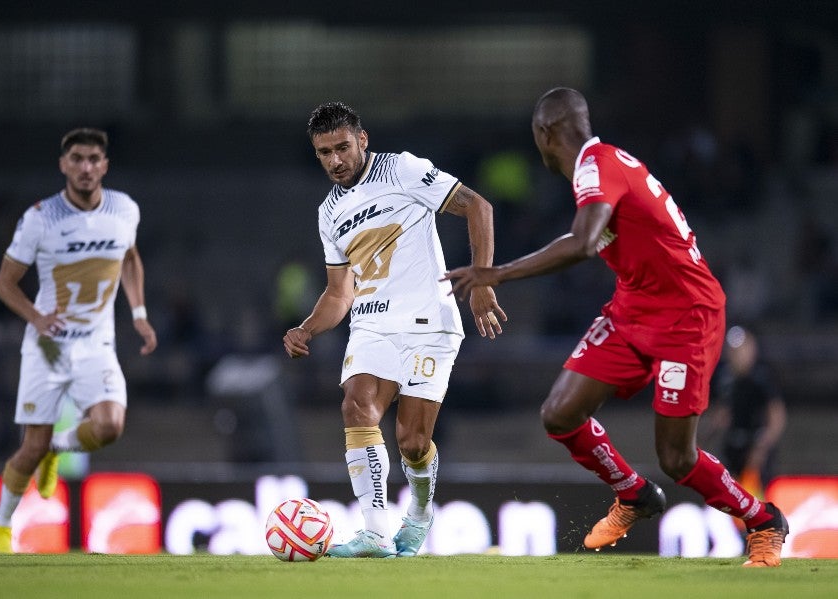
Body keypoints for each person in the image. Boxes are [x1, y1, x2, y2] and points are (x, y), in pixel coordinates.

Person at [443, 88, 788, 567]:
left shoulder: (596, 166)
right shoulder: (603, 165)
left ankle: (762, 520)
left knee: (677, 459)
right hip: (634, 306)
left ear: (544, 135)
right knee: (559, 413)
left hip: (687, 316)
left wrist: (496, 273)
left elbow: (583, 242)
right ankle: (634, 494)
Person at [283, 101, 505, 558]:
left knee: (412, 442)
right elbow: (339, 294)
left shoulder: (401, 170)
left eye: (342, 147)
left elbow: (477, 206)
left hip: (429, 323)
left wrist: (482, 280)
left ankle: (420, 513)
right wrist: (306, 328)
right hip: (371, 327)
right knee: (356, 404)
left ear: (362, 140)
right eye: (324, 152)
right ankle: (375, 532)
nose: (335, 161)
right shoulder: (329, 213)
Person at [0, 128, 157, 553]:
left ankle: (56, 451)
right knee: (30, 447)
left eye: (94, 159)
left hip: (96, 343)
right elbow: (5, 284)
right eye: (77, 159)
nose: (85, 167)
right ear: (63, 165)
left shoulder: (124, 210)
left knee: (111, 425)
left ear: (105, 165)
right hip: (46, 347)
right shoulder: (40, 218)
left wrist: (138, 314)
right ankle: (1, 529)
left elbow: (131, 258)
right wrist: (36, 317)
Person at [707, 325, 787, 498]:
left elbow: (776, 415)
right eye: (733, 350)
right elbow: (723, 411)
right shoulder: (725, 378)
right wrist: (705, 436)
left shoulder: (762, 377)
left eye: (742, 349)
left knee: (755, 498)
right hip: (732, 446)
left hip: (755, 447)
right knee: (729, 497)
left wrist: (763, 445)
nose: (737, 355)